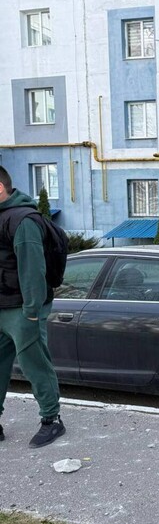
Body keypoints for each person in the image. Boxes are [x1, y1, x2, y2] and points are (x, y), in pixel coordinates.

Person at [0, 165, 65, 447]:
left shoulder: (23, 220)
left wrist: (32, 312)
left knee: (34, 363)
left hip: (22, 309)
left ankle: (52, 419)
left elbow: (32, 271)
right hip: (2, 305)